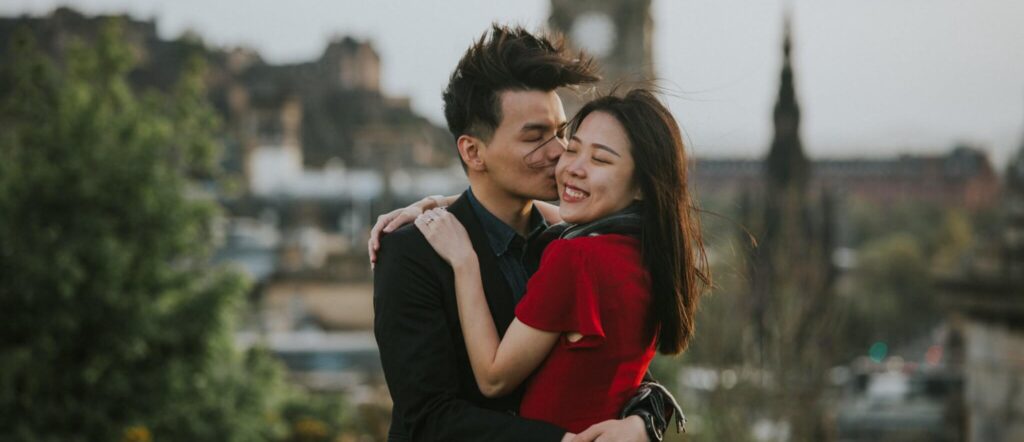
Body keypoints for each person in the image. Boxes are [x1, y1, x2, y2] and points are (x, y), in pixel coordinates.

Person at [371, 25, 681, 442]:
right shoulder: (412, 253)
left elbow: (615, 367)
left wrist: (644, 422)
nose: (559, 153)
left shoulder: (574, 244)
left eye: (560, 132)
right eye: (535, 137)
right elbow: (429, 418)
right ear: (473, 152)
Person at [412, 88, 709, 434]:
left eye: (600, 160)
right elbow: (554, 215)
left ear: (641, 185)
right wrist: (442, 203)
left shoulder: (576, 258)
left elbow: (493, 378)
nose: (573, 168)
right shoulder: (650, 250)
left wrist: (464, 262)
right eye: (573, 148)